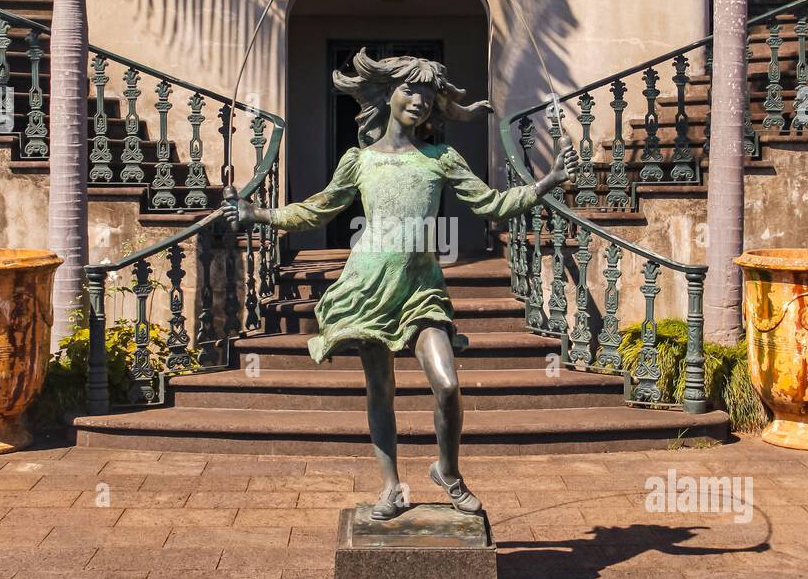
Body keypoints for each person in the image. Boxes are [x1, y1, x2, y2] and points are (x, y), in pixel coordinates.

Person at [225, 49, 577, 520]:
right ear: (387, 94)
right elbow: (317, 209)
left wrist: (546, 182)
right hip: (368, 286)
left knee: (447, 384)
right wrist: (259, 213)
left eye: (429, 93)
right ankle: (390, 487)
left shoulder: (441, 157)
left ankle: (448, 473)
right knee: (380, 391)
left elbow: (492, 204)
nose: (420, 100)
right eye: (410, 89)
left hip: (421, 287)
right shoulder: (359, 161)